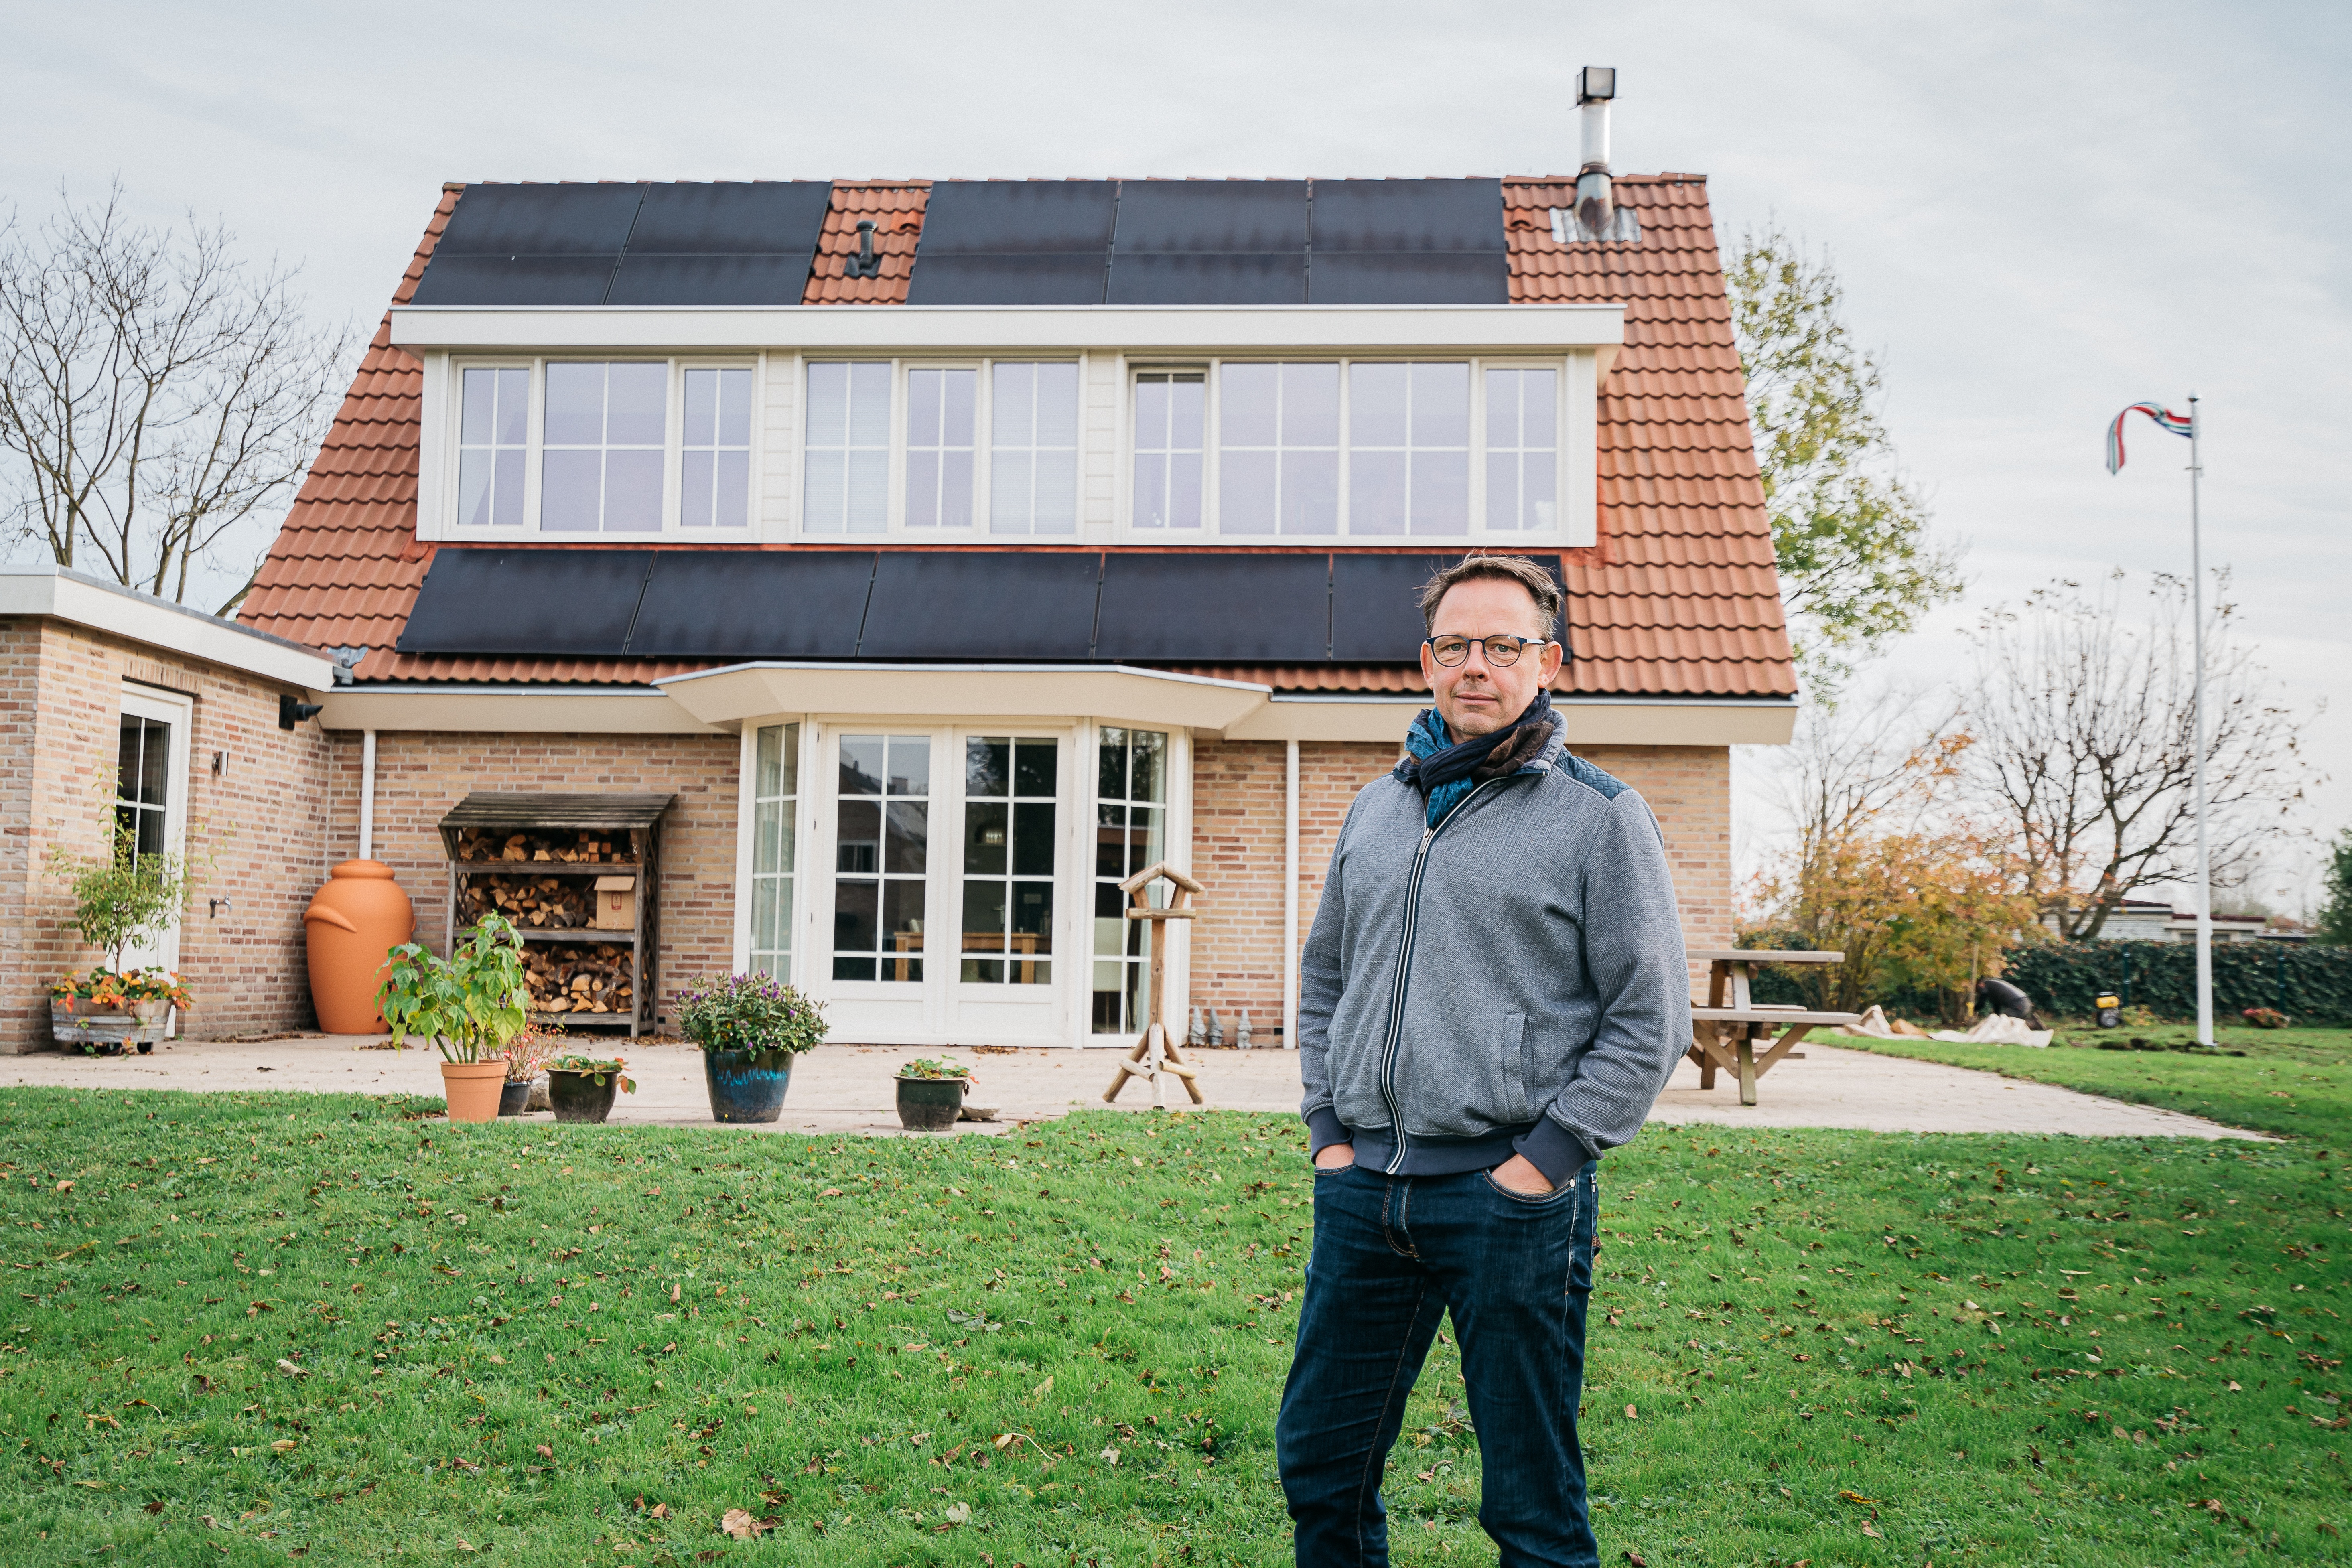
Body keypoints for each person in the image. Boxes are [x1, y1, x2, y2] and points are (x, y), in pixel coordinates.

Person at [1278, 554, 1691, 1568]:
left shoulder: (1599, 816)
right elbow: (1326, 973)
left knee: (1529, 1500)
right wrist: (1328, 1130)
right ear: (1426, 661)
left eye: (1503, 645)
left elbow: (1651, 1016)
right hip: (1364, 1190)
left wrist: (1544, 1161)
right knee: (1322, 1465)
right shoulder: (1376, 808)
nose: (1477, 665)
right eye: (1456, 644)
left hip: (1508, 1200)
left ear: (1545, 662)